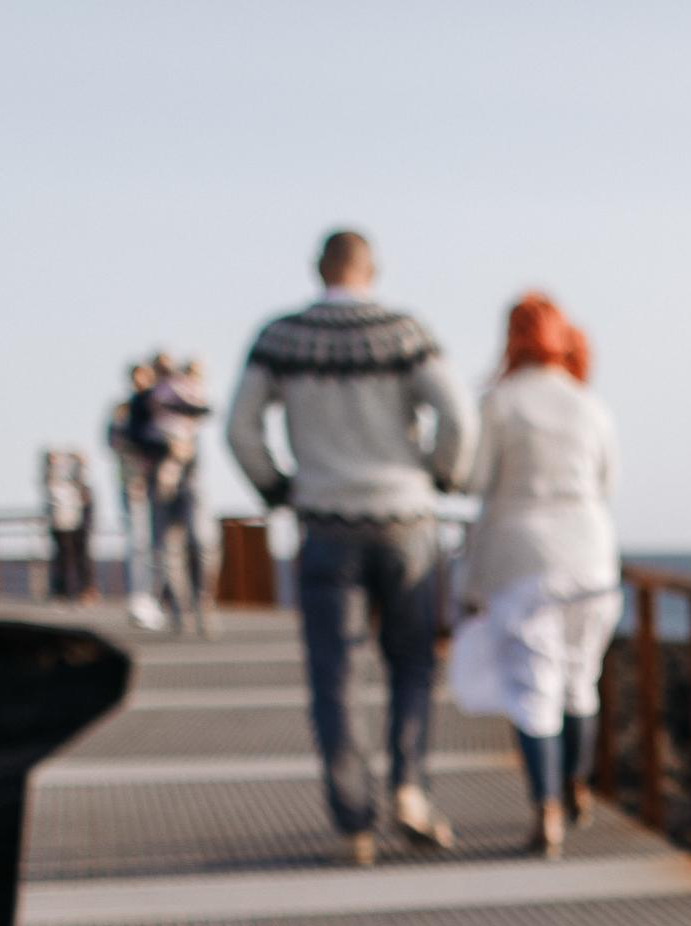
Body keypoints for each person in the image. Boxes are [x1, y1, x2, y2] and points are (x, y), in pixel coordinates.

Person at [226, 228, 477, 864]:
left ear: (318, 269)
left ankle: (355, 823)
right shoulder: (405, 331)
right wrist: (440, 474)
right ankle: (409, 788)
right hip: (405, 520)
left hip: (324, 523)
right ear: (374, 268)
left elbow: (240, 427)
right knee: (412, 665)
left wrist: (277, 486)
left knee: (334, 675)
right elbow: (459, 416)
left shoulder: (281, 335)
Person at [448, 293, 621, 857]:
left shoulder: (499, 402)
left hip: (524, 557)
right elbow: (607, 483)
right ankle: (576, 784)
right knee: (580, 679)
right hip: (592, 556)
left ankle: (546, 809)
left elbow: (473, 480)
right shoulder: (589, 404)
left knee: (534, 689)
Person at [142, 354, 217, 636]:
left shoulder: (186, 397)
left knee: (201, 543)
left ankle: (203, 602)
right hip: (160, 481)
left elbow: (206, 409)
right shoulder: (146, 401)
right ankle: (180, 609)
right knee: (167, 548)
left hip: (191, 481)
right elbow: (132, 434)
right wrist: (165, 450)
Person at [105, 362, 164, 627]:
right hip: (133, 480)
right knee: (139, 540)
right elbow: (113, 441)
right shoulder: (124, 408)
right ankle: (141, 599)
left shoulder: (157, 405)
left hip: (159, 482)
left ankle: (157, 598)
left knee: (159, 543)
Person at [40, 448, 96, 602]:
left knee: (77, 552)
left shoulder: (78, 481)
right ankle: (65, 590)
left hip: (74, 515)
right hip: (62, 516)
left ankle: (80, 589)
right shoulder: (55, 480)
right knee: (64, 553)